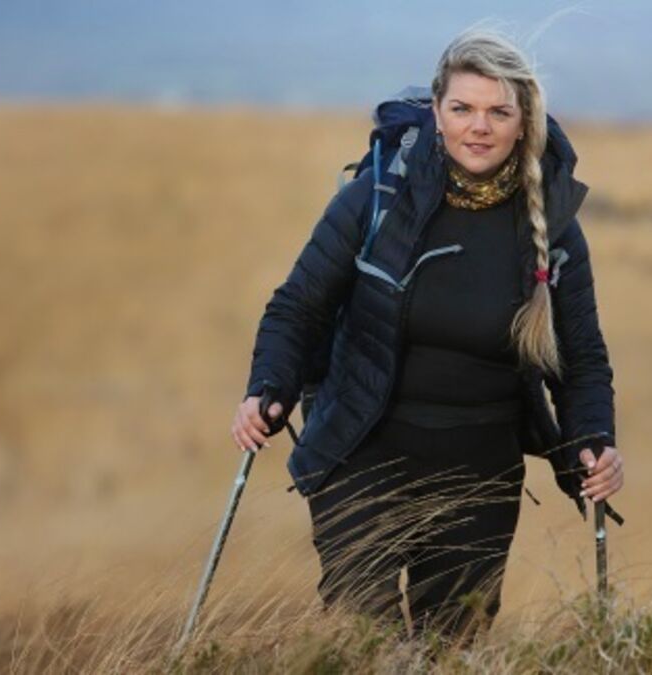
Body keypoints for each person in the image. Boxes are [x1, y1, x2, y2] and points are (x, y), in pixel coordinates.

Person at [230, 28, 624, 640]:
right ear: (437, 111)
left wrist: (594, 440)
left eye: (499, 112)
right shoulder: (377, 196)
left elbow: (583, 362)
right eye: (463, 108)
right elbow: (297, 307)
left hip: (480, 472)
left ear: (524, 122)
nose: (479, 127)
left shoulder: (555, 229)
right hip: (362, 449)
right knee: (364, 640)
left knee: (452, 647)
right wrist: (269, 386)